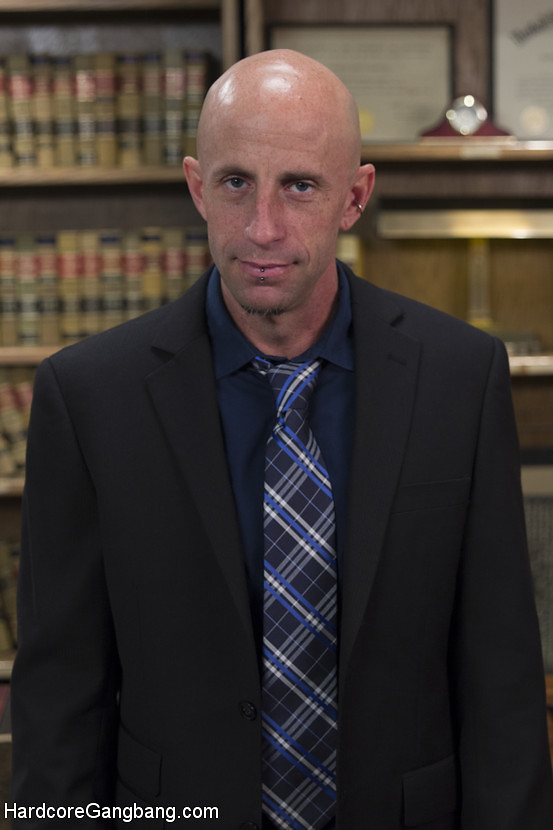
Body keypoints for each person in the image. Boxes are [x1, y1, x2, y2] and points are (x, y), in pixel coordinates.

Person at [10, 49, 553, 830]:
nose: (262, 228)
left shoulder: (459, 379)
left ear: (354, 197)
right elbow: (58, 696)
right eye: (236, 183)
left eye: (299, 186)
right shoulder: (88, 397)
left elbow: (501, 677)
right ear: (197, 188)